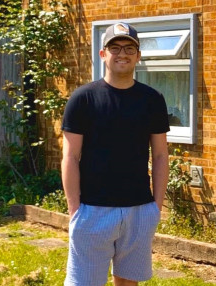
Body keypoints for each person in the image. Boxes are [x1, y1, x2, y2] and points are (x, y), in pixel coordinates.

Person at [61, 22, 170, 286]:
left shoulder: (152, 99)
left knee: (128, 282)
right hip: (92, 210)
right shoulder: (83, 99)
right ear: (103, 54)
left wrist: (155, 207)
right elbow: (70, 157)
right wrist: (74, 208)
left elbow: (160, 156)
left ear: (138, 56)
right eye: (115, 47)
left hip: (139, 210)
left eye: (129, 48)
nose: (122, 54)